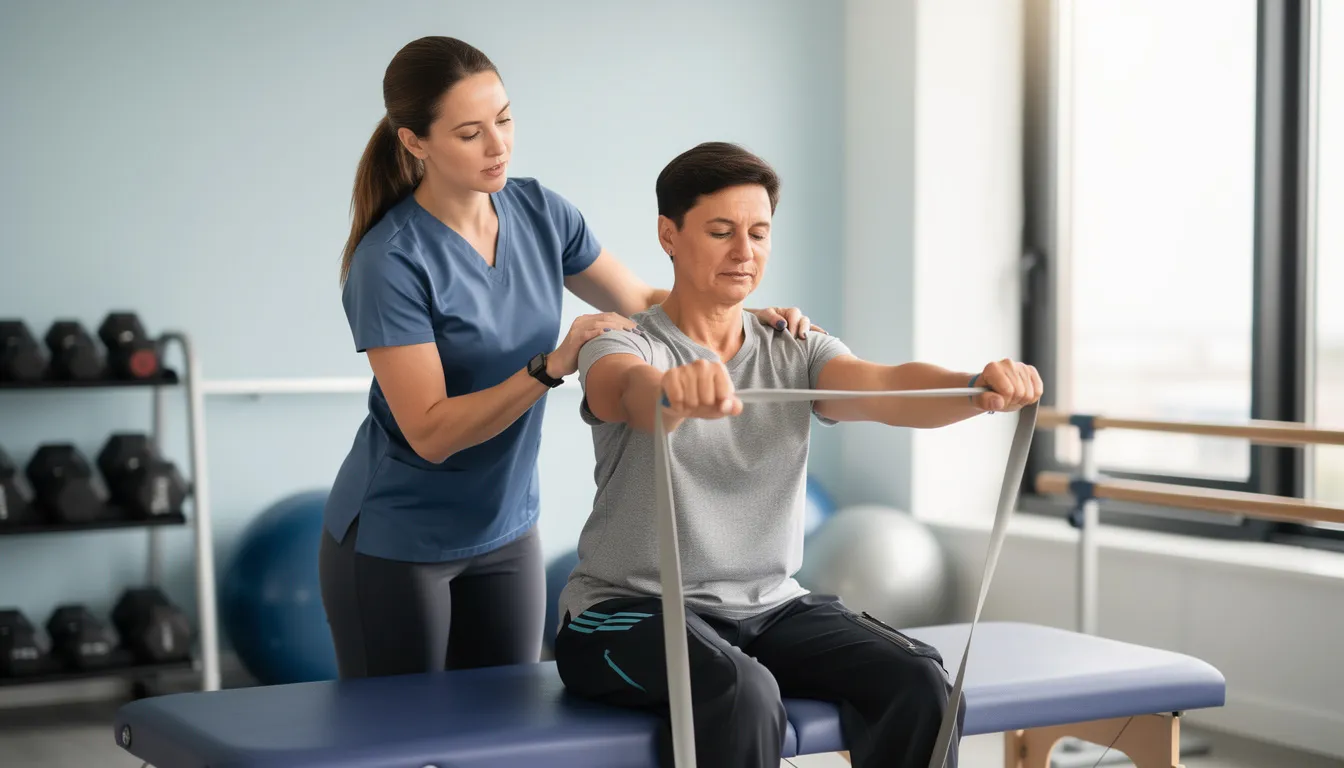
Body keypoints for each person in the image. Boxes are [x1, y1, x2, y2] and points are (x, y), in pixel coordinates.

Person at [317, 37, 820, 681]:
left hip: (504, 528)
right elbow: (431, 432)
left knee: (503, 740)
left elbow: (640, 298)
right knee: (396, 741)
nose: (498, 145)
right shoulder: (389, 262)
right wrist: (550, 367)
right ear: (415, 142)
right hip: (396, 538)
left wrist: (751, 314)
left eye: (503, 119)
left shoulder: (539, 212)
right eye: (471, 133)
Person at [554, 141, 1044, 768]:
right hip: (622, 612)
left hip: (770, 608)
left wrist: (976, 387)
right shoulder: (625, 341)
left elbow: (887, 389)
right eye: (721, 231)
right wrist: (674, 395)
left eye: (759, 233)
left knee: (919, 681)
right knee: (742, 692)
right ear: (668, 236)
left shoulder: (793, 345)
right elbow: (624, 391)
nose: (744, 252)